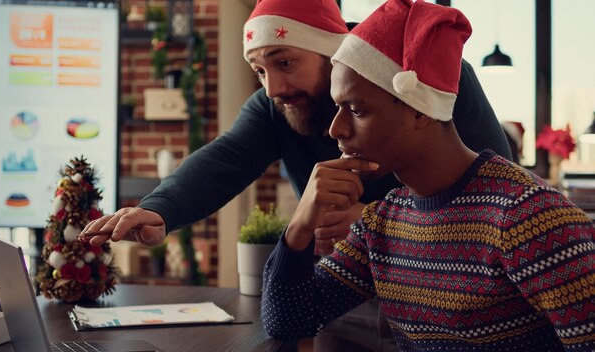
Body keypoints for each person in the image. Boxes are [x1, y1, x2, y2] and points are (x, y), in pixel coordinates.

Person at [80, 0, 511, 350]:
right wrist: (159, 210)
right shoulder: (277, 108)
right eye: (260, 71)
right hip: (342, 293)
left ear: (332, 52)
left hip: (448, 294)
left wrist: (381, 220)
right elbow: (225, 158)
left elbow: (494, 178)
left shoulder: (423, 81)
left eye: (285, 62)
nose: (273, 88)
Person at [260, 0, 595, 351]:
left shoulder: (528, 217)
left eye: (356, 110)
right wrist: (299, 228)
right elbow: (290, 321)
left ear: (419, 110)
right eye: (338, 107)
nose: (335, 129)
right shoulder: (384, 221)